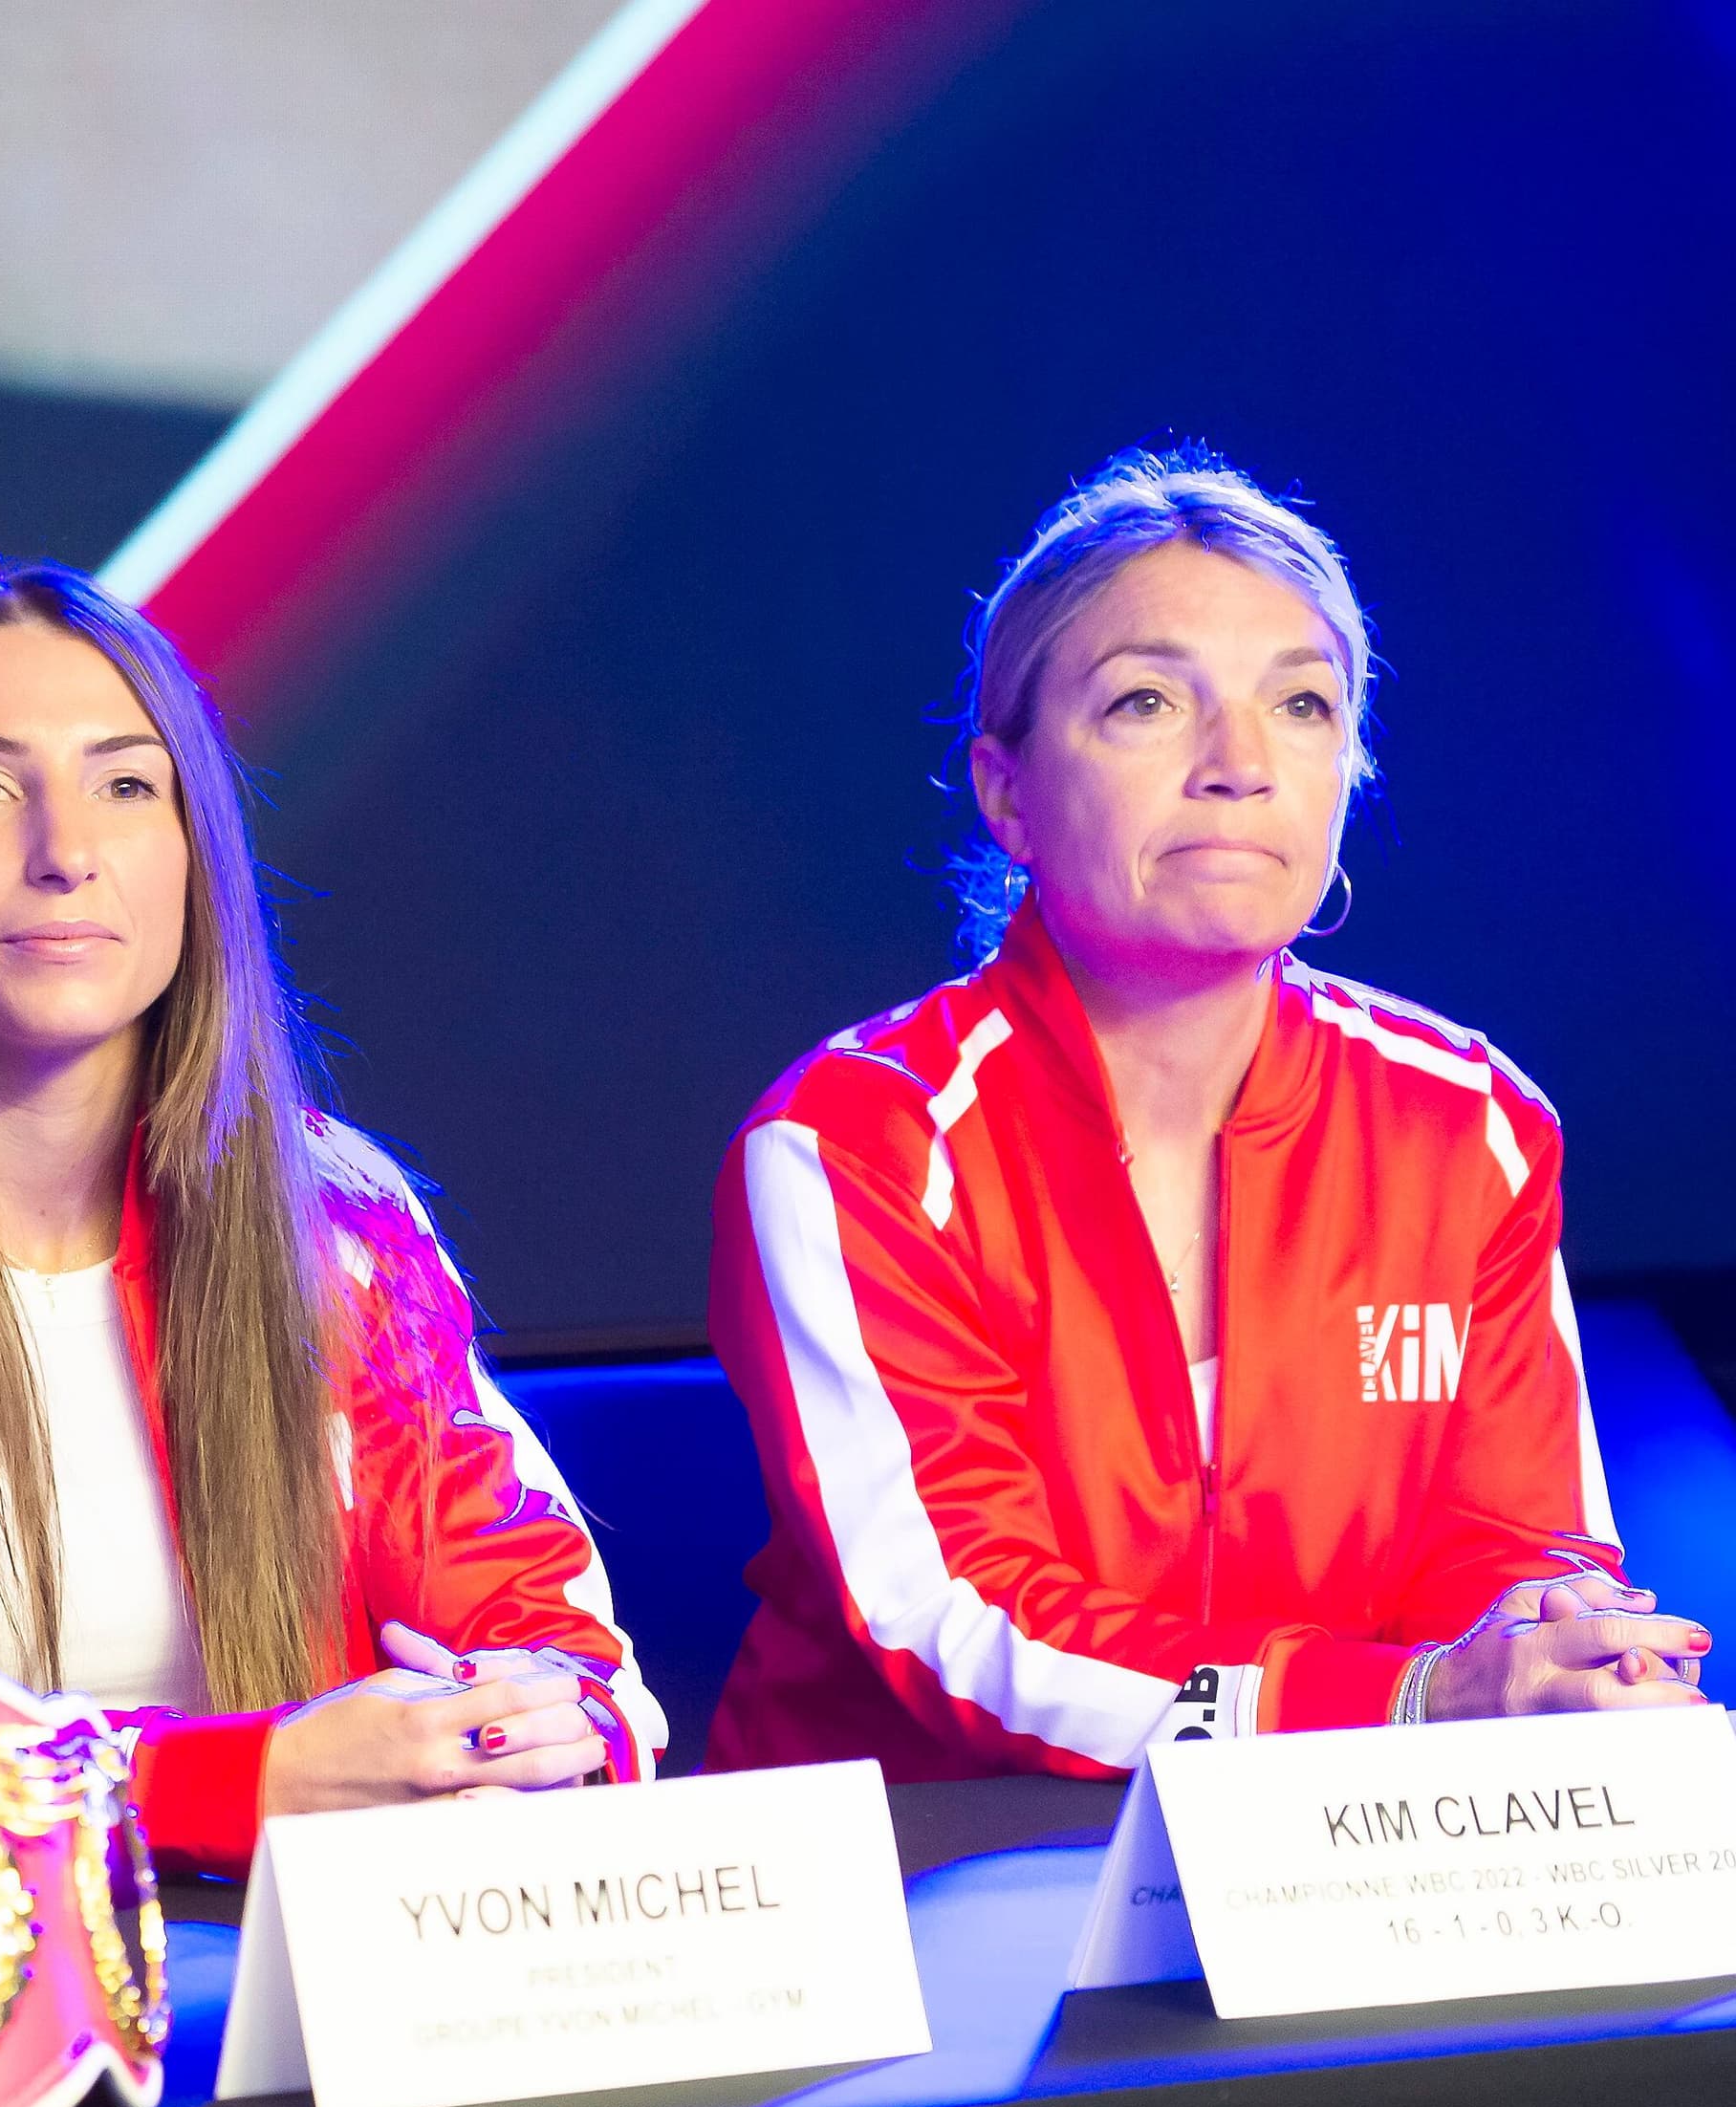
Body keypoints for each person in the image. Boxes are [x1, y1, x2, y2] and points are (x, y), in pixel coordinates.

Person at [0, 564, 664, 1876]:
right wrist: (240, 1785)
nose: (65, 853)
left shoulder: (336, 1223)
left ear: (194, 851)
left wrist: (521, 1745)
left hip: (350, 1975)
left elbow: (563, 1652)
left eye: (126, 785)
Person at [705, 449, 1706, 1779]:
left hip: (1353, 1861)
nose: (1240, 764)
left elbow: (1524, 1554)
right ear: (1005, 791)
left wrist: (1570, 1658)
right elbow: (964, 1624)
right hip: (932, 1882)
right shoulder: (854, 1146)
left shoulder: (1469, 1127)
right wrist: (1398, 1702)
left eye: (1301, 704)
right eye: (1146, 703)